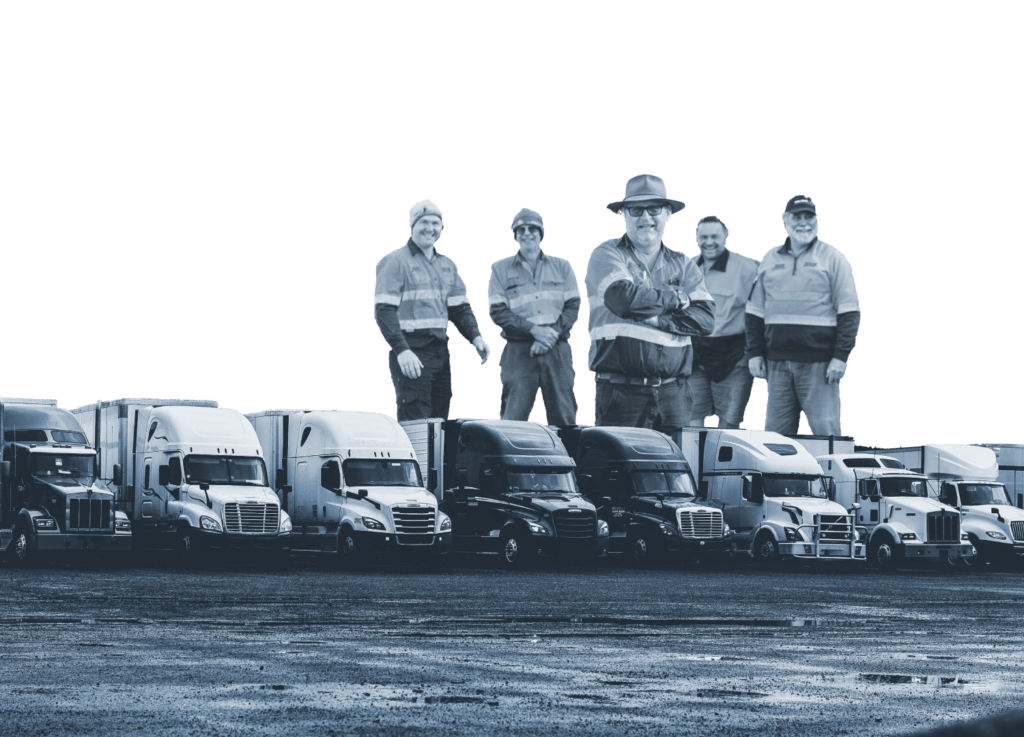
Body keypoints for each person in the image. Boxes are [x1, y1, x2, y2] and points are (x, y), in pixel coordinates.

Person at [584, 173, 716, 434]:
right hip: (621, 393)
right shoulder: (606, 253)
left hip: (674, 393)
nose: (646, 217)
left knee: (677, 473)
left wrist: (657, 318)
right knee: (618, 473)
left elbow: (706, 319)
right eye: (636, 209)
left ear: (667, 213)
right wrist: (676, 298)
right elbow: (622, 300)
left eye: (654, 208)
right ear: (624, 215)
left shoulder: (685, 264)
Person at [745, 195, 861, 435]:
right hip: (776, 363)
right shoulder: (769, 258)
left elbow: (850, 313)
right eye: (797, 217)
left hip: (819, 365)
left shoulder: (833, 258)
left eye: (809, 216)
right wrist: (754, 354)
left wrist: (841, 357)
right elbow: (754, 312)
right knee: (775, 438)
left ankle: (833, 474)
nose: (803, 222)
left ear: (817, 221)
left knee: (826, 434)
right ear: (785, 221)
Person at [373, 199, 491, 421]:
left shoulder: (447, 264)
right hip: (412, 349)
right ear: (412, 226)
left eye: (436, 223)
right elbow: (383, 310)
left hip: (440, 351)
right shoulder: (395, 261)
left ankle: (436, 458)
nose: (430, 228)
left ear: (442, 228)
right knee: (416, 417)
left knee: (440, 420)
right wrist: (402, 351)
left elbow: (460, 309)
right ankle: (415, 458)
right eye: (424, 222)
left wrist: (476, 337)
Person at [487, 208, 581, 425]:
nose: (527, 233)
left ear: (541, 233)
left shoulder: (563, 266)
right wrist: (535, 331)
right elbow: (498, 312)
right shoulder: (499, 268)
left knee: (564, 416)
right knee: (513, 419)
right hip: (519, 352)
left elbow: (573, 307)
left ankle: (569, 458)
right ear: (515, 235)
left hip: (557, 350)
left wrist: (550, 336)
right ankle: (509, 459)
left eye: (532, 229)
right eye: (521, 229)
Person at [686, 216, 760, 429]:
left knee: (729, 424)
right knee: (691, 420)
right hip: (694, 357)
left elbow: (761, 312)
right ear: (697, 239)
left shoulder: (749, 268)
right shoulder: (686, 268)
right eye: (704, 237)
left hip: (734, 356)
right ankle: (695, 463)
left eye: (715, 236)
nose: (709, 242)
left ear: (726, 236)